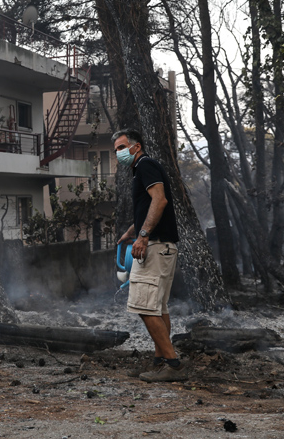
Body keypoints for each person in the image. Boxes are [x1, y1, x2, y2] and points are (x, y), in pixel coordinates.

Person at [113, 129, 187, 382]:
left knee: (145, 308)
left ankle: (174, 366)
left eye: (122, 147)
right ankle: (160, 362)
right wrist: (131, 231)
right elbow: (150, 207)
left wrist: (143, 237)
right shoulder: (143, 169)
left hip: (155, 246)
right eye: (115, 150)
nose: (118, 153)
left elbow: (160, 201)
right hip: (162, 247)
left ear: (136, 147)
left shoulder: (146, 165)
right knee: (158, 307)